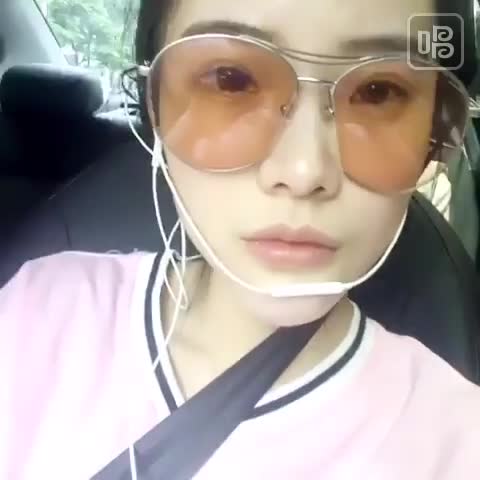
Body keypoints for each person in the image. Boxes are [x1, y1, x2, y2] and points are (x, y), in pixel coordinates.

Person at [1, 0, 480, 478]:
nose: (304, 172)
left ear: (433, 132)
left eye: (378, 92)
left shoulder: (455, 441)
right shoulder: (40, 312)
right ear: (154, 105)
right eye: (231, 80)